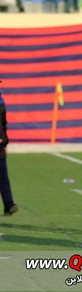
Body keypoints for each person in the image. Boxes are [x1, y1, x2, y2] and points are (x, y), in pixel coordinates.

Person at [0, 81, 18, 216]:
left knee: (3, 176)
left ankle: (9, 204)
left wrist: (5, 142)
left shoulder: (1, 101)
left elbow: (3, 124)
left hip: (0, 144)